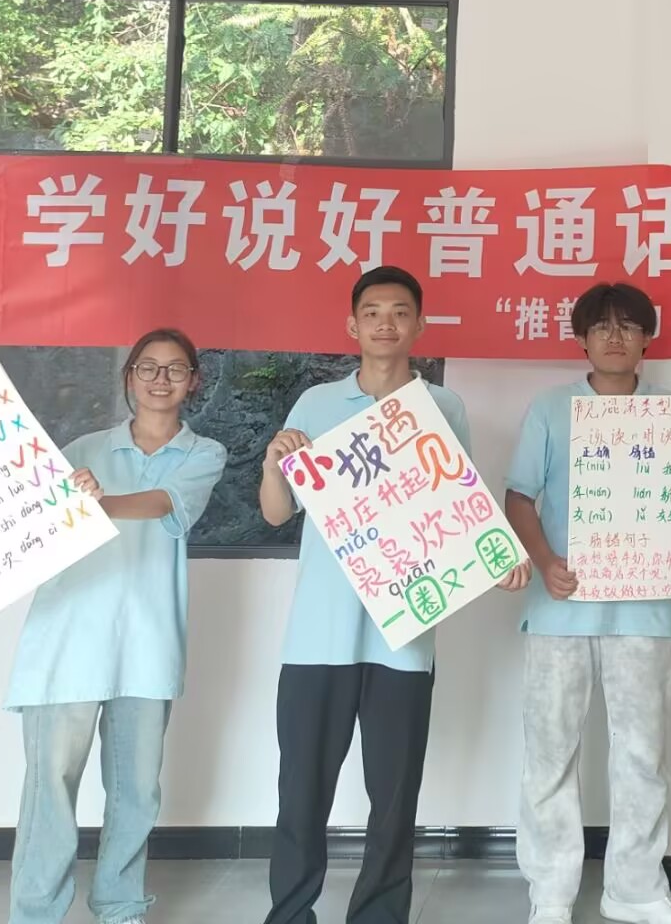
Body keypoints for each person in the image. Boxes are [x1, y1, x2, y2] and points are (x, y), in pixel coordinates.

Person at [0, 328, 228, 924]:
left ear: (194, 381)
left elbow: (165, 503)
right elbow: (0, 503)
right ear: (129, 376)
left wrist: (99, 504)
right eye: (148, 367)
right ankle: (35, 914)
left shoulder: (204, 454)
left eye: (175, 369)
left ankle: (120, 908)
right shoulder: (82, 448)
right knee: (49, 789)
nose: (160, 379)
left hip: (147, 645)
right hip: (66, 641)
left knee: (136, 793)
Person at [259, 264, 531, 924]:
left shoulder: (443, 408)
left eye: (400, 312)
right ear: (352, 325)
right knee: (301, 791)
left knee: (394, 794)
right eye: (373, 312)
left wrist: (498, 558)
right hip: (318, 634)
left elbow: (458, 508)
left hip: (404, 635)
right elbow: (276, 512)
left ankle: (379, 915)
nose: (386, 323)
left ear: (420, 325)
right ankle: (289, 913)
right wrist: (273, 462)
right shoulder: (315, 405)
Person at [503, 281, 671, 924]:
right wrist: (545, 561)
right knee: (550, 754)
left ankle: (634, 889)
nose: (614, 336)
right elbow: (518, 496)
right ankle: (550, 892)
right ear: (582, 339)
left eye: (628, 326)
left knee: (642, 756)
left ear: (646, 339)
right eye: (602, 326)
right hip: (561, 610)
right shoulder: (551, 408)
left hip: (645, 609)